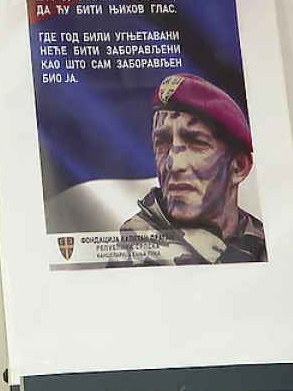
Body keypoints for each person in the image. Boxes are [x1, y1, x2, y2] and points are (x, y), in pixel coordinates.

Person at [114, 72, 266, 266]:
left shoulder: (265, 239)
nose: (174, 164)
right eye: (162, 142)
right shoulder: (137, 247)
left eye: (197, 142)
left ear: (239, 167)